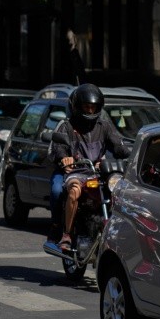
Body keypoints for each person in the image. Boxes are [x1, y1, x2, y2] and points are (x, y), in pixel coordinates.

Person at [48, 83, 130, 250]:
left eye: (93, 107)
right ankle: (67, 234)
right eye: (87, 107)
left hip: (98, 173)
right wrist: (65, 158)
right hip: (76, 172)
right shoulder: (67, 126)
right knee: (73, 191)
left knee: (120, 192)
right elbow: (59, 148)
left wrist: (128, 152)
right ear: (78, 107)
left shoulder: (104, 125)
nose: (90, 111)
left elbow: (118, 144)